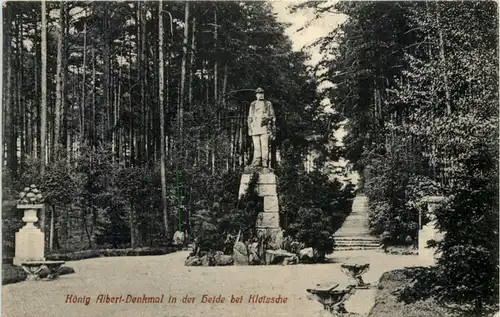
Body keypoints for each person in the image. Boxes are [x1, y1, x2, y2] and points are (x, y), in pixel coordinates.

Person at [248, 87, 276, 167]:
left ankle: (264, 162)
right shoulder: (253, 104)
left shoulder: (268, 104)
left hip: (264, 127)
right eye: (259, 93)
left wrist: (267, 118)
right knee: (256, 146)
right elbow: (250, 117)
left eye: (262, 93)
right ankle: (257, 161)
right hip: (255, 127)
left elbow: (273, 116)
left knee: (264, 146)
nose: (261, 95)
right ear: (256, 95)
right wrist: (250, 127)